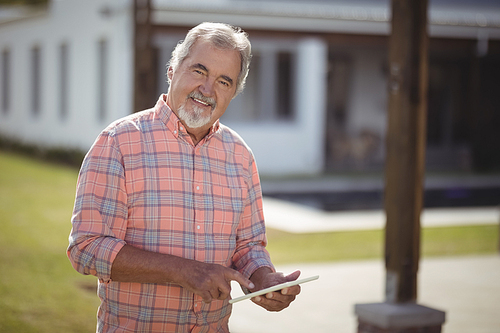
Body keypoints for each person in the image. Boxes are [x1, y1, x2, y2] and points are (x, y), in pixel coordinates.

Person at [67, 22, 301, 332]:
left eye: (224, 81)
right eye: (199, 71)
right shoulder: (118, 143)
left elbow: (248, 247)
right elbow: (86, 248)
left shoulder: (240, 156)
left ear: (233, 92)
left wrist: (262, 278)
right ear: (172, 69)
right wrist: (184, 272)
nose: (207, 89)